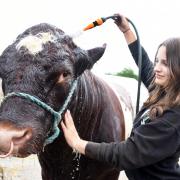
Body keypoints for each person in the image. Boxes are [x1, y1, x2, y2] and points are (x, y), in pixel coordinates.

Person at [61, 14, 180, 180]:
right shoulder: (163, 90)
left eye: (165, 63)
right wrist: (127, 31)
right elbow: (144, 63)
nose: (157, 68)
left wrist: (78, 143)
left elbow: (126, 154)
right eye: (157, 61)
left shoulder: (173, 120)